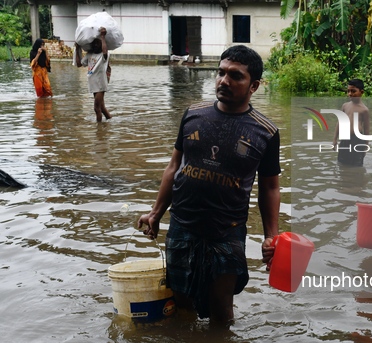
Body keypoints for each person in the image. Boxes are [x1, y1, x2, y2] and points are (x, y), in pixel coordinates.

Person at [137, 45, 281, 326]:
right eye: (221, 73)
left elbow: (270, 188)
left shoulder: (265, 131)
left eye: (235, 76)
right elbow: (173, 166)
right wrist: (155, 213)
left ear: (254, 86)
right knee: (180, 304)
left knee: (221, 311)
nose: (224, 81)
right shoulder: (194, 114)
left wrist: (271, 236)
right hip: (182, 224)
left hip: (226, 231)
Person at [75, 27, 111, 122]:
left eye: (97, 43)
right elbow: (79, 64)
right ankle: (109, 121)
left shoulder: (103, 56)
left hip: (100, 84)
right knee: (102, 108)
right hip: (93, 84)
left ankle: (99, 131)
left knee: (96, 108)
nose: (95, 45)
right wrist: (77, 49)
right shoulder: (89, 55)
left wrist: (103, 36)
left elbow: (105, 52)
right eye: (94, 43)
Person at [332, 79, 370, 166]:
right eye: (348, 91)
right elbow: (339, 122)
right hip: (344, 139)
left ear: (361, 92)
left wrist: (365, 147)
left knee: (356, 164)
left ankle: (356, 178)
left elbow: (366, 130)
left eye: (353, 91)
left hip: (357, 140)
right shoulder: (345, 106)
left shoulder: (364, 110)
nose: (350, 94)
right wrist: (335, 139)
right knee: (341, 162)